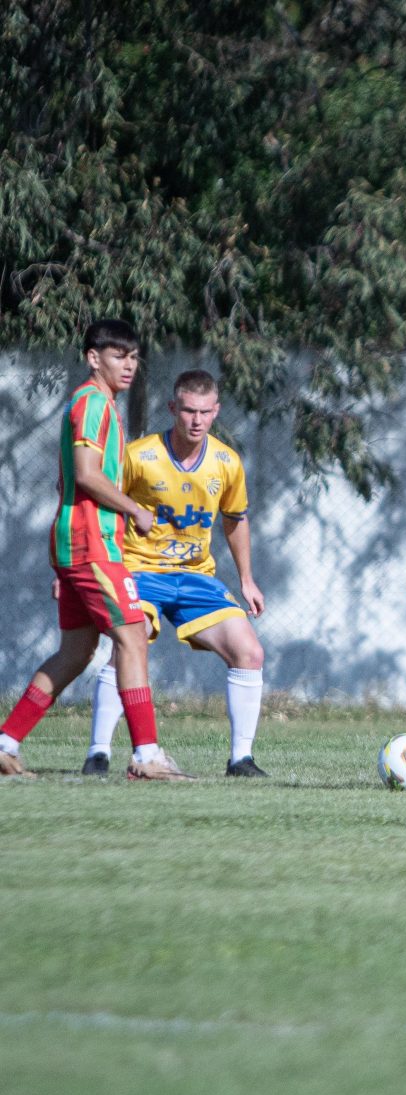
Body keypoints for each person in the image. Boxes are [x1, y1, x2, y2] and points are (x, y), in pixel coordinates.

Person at [0, 319, 192, 781]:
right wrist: (134, 511)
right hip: (90, 545)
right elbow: (86, 474)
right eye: (118, 356)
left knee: (76, 651)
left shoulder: (99, 404)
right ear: (93, 358)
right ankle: (147, 756)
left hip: (78, 545)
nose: (129, 365)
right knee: (132, 636)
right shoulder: (91, 404)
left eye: (133, 356)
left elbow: (68, 476)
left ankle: (5, 742)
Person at [81, 369, 269, 778]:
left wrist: (246, 579)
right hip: (140, 570)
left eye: (205, 411)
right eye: (188, 410)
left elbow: (236, 520)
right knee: (130, 646)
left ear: (216, 411)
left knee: (249, 651)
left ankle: (241, 760)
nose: (196, 420)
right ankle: (98, 754)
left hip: (197, 577)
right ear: (173, 408)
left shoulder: (226, 462)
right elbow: (103, 503)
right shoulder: (140, 456)